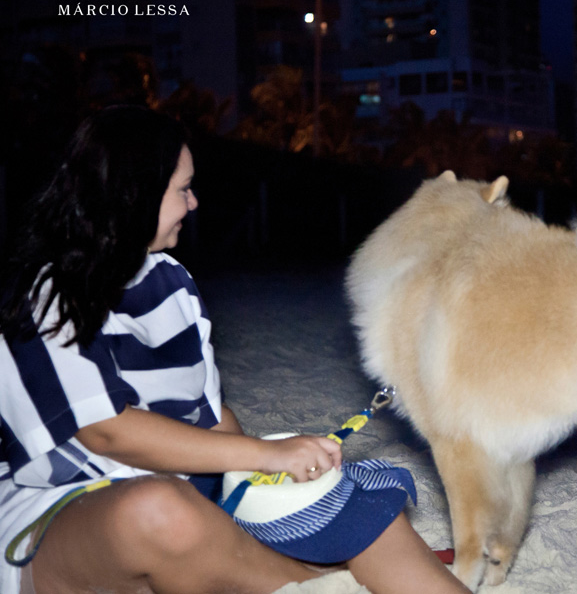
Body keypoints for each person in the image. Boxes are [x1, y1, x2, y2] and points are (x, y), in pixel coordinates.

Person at [0, 106, 470, 593]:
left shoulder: (170, 281)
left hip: (183, 503)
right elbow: (106, 432)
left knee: (350, 494)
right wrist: (266, 457)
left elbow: (208, 416)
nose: (194, 202)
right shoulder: (53, 292)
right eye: (182, 189)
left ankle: (332, 568)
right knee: (161, 512)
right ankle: (315, 578)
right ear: (133, 194)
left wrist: (265, 472)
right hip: (65, 518)